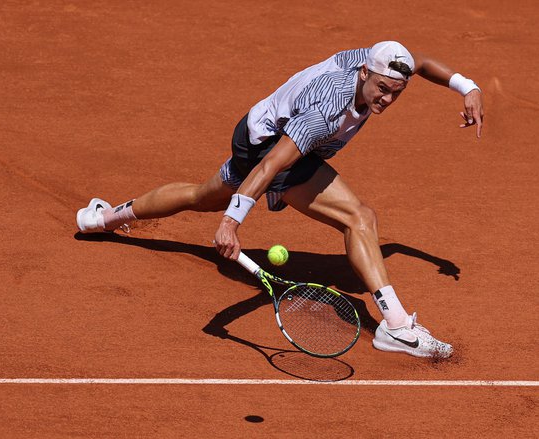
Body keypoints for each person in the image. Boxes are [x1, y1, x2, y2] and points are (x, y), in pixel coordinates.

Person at [76, 41, 483, 359]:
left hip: (257, 131)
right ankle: (395, 327)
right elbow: (271, 165)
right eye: (382, 90)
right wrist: (232, 221)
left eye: (396, 93)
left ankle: (103, 218)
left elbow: (422, 62)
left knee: (203, 196)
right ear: (364, 74)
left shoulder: (378, 62)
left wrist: (468, 87)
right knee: (359, 219)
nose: (387, 100)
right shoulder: (326, 109)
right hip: (270, 147)